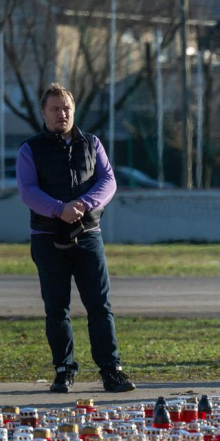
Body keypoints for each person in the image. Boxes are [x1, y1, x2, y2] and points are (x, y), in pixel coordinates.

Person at [15, 83, 135, 394]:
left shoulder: (91, 143)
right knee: (57, 309)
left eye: (66, 108)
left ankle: (111, 370)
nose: (61, 114)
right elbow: (28, 191)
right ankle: (64, 370)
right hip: (48, 238)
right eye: (54, 109)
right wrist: (59, 210)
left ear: (73, 111)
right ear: (44, 113)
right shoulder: (30, 149)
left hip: (88, 236)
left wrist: (84, 204)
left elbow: (108, 181)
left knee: (100, 306)